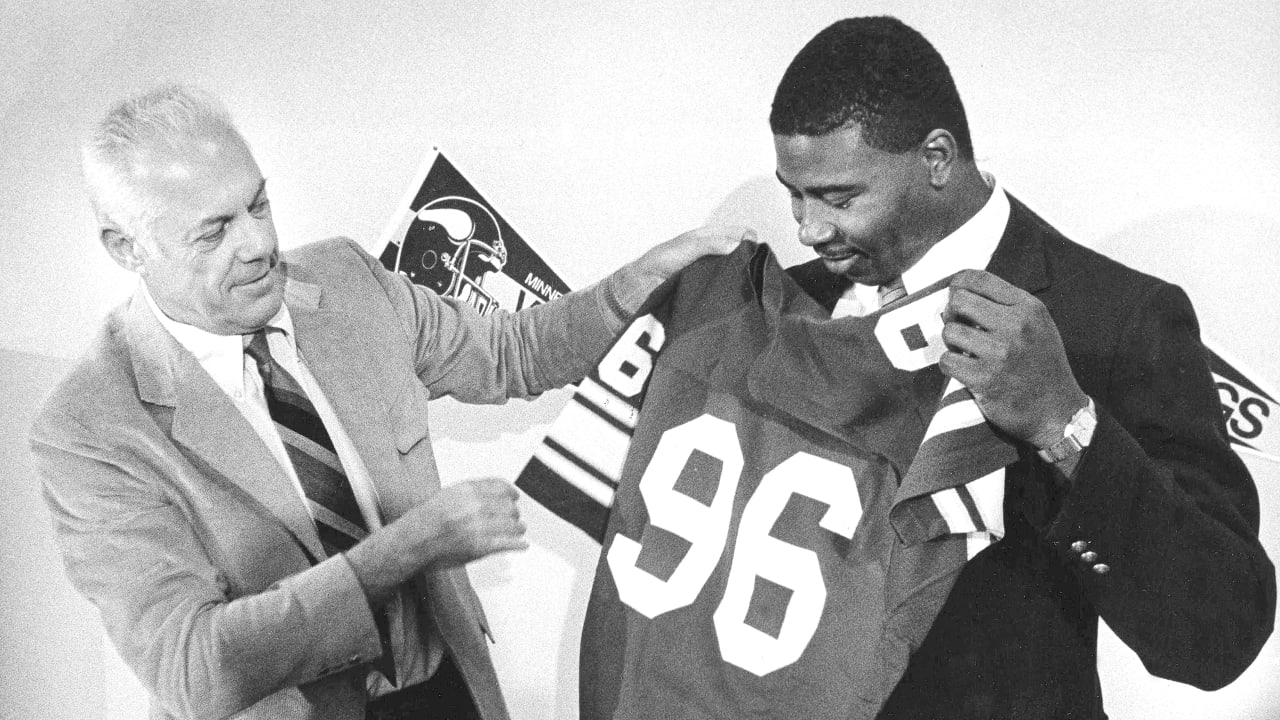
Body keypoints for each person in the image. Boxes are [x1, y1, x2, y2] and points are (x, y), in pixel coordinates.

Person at [29, 85, 748, 720]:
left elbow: (516, 351)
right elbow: (193, 669)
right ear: (126, 248)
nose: (260, 244)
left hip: (448, 693)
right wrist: (405, 550)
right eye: (214, 231)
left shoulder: (346, 279)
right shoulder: (88, 428)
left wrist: (645, 280)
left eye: (258, 204)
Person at [770, 16, 1273, 717]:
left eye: (838, 197)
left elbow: (1219, 632)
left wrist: (1065, 424)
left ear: (938, 158)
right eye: (795, 193)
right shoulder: (786, 305)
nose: (808, 228)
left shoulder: (1115, 319)